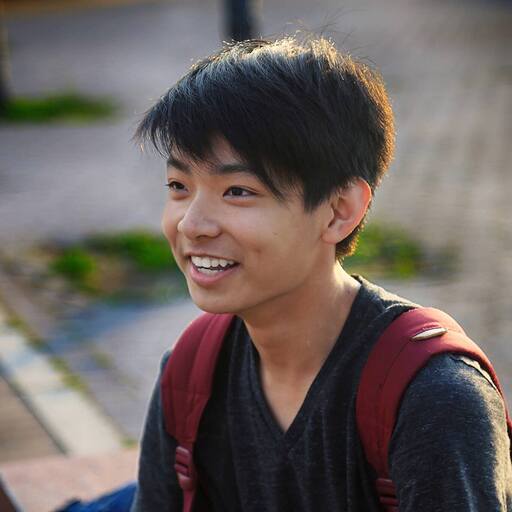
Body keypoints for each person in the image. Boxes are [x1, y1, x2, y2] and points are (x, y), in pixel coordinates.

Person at [130, 36, 512, 511]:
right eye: (178, 185)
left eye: (238, 191)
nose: (192, 225)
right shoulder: (192, 372)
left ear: (338, 210)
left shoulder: (434, 399)